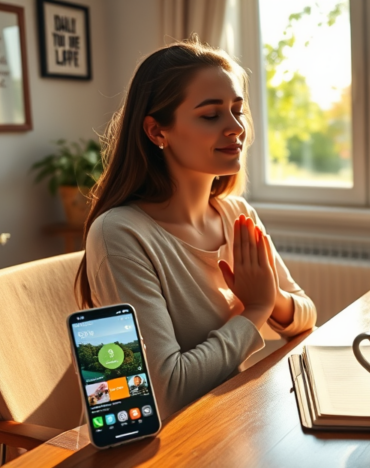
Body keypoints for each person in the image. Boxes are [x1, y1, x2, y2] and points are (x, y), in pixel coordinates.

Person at [75, 39, 317, 420]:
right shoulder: (120, 233)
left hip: (230, 420)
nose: (236, 128)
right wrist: (255, 309)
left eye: (237, 111)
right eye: (211, 115)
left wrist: (272, 299)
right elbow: (164, 394)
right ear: (157, 131)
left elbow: (306, 316)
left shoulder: (236, 213)